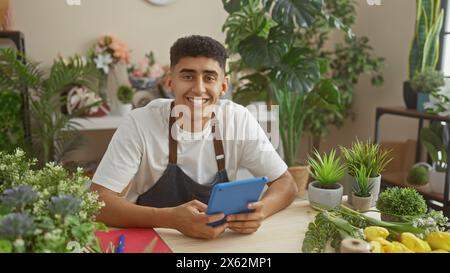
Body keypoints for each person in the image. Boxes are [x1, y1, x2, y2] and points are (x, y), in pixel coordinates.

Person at [90, 35, 298, 240]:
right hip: (152, 240)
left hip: (216, 244)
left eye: (209, 78)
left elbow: (286, 183)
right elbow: (98, 202)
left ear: (223, 86)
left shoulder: (238, 119)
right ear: (170, 81)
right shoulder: (139, 123)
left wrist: (261, 211)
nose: (199, 88)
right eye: (188, 76)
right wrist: (171, 219)